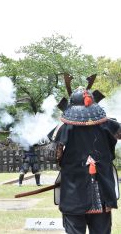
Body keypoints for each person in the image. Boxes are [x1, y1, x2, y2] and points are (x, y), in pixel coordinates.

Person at [48, 77, 121, 234]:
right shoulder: (109, 123)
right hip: (102, 192)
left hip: (73, 191)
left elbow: (54, 155)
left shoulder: (63, 127)